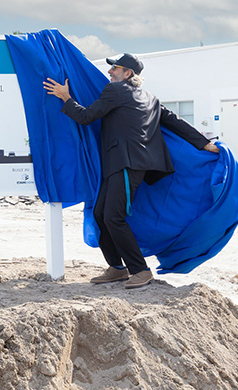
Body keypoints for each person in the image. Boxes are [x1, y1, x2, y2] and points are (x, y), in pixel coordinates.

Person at [43, 53, 219, 289]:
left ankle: (140, 270)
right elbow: (175, 121)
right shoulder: (151, 98)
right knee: (100, 214)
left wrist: (66, 98)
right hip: (123, 165)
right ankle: (116, 268)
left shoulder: (115, 91)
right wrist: (202, 143)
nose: (109, 72)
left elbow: (86, 117)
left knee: (114, 217)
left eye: (114, 68)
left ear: (128, 74)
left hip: (126, 164)